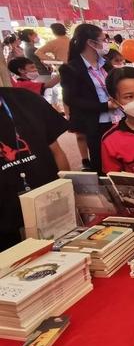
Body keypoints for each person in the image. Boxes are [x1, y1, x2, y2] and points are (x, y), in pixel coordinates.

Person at [0, 87, 69, 249]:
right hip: (5, 228)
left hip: (51, 212)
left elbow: (56, 151)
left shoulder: (27, 100)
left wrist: (68, 192)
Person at [59, 23, 119, 173]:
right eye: (103, 39)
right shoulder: (71, 68)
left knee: (118, 154)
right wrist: (105, 106)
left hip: (117, 119)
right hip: (95, 122)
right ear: (91, 43)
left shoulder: (105, 64)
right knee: (100, 159)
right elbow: (71, 99)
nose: (107, 43)